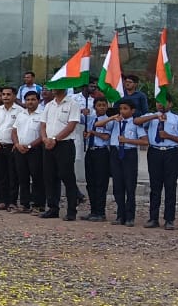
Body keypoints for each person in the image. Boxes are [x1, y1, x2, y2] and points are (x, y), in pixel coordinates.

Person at [133, 97, 178, 229]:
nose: (160, 105)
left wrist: (169, 136)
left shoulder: (177, 119)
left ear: (170, 103)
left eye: (164, 102)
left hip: (171, 152)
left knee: (170, 186)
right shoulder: (151, 117)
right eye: (158, 102)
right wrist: (154, 116)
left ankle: (169, 219)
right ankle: (153, 218)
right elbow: (136, 121)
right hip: (155, 152)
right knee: (155, 186)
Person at [101, 99, 147, 227]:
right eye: (121, 108)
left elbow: (144, 141)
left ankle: (130, 216)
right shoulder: (115, 122)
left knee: (130, 185)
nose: (122, 111)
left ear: (132, 110)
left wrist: (127, 140)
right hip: (116, 153)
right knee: (117, 186)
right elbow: (99, 125)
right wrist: (111, 118)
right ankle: (120, 214)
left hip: (129, 153)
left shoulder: (136, 123)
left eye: (125, 109)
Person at [40, 86, 82, 220]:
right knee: (49, 176)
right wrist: (45, 139)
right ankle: (53, 208)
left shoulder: (73, 104)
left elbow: (71, 126)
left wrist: (55, 139)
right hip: (48, 144)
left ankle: (71, 210)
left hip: (64, 144)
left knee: (67, 176)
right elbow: (43, 125)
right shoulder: (49, 105)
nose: (52, 89)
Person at [11, 91, 46, 214]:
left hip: (35, 150)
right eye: (28, 100)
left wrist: (30, 145)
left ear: (38, 100)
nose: (30, 102)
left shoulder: (42, 114)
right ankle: (25, 204)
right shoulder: (21, 114)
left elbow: (43, 135)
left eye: (33, 99)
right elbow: (14, 131)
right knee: (22, 177)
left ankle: (38, 205)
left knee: (37, 177)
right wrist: (17, 144)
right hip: (20, 150)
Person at [0, 90, 23, 210]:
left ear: (14, 96)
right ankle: (3, 200)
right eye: (4, 94)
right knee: (1, 174)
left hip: (12, 147)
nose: (5, 97)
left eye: (8, 94)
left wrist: (17, 143)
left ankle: (12, 202)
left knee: (13, 175)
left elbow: (21, 128)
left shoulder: (19, 111)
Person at [80, 96, 112, 222]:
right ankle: (93, 210)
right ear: (95, 107)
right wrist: (87, 134)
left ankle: (100, 211)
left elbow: (105, 137)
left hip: (102, 152)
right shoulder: (91, 119)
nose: (102, 107)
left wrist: (93, 133)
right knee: (90, 183)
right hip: (91, 151)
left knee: (100, 183)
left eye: (104, 105)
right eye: (99, 105)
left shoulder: (108, 120)